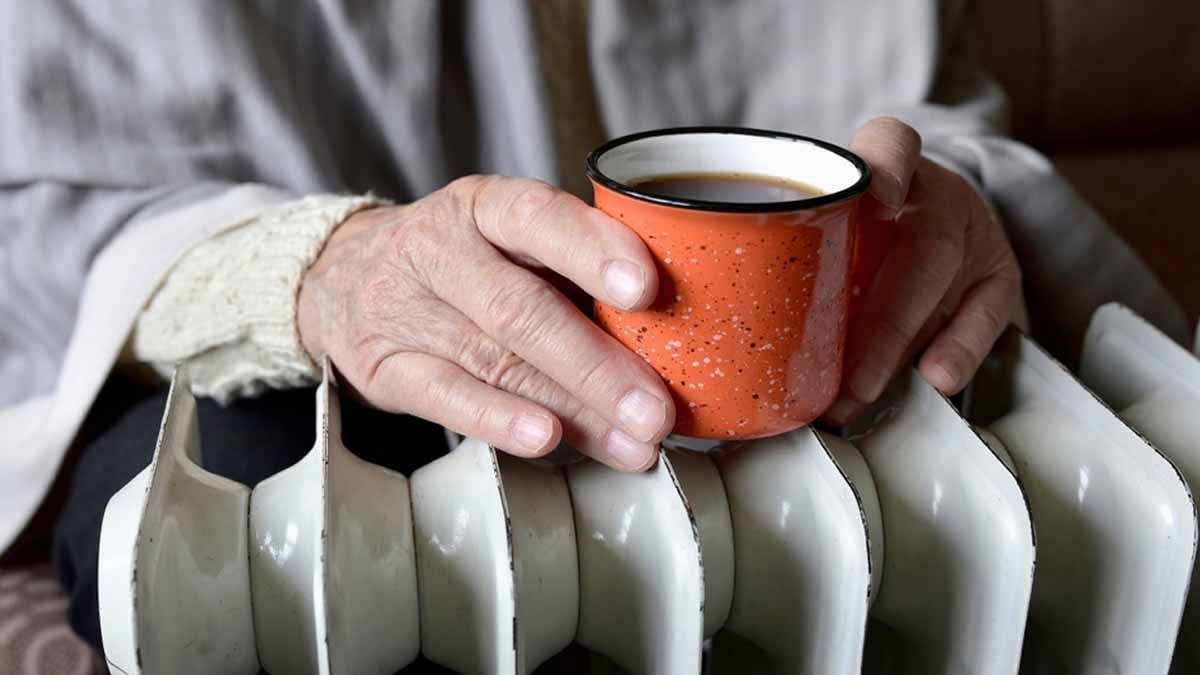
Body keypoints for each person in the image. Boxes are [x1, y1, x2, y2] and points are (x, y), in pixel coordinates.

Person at [0, 0, 1185, 660]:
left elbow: (924, 116)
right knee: (249, 486)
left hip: (806, 398)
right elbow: (34, 208)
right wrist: (316, 268)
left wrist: (942, 203)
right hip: (313, 386)